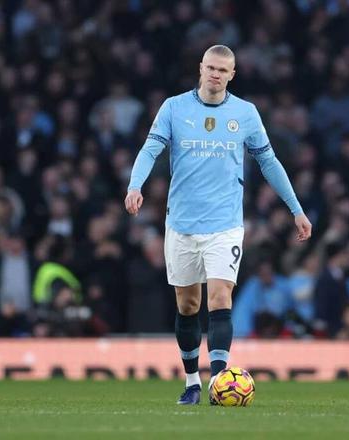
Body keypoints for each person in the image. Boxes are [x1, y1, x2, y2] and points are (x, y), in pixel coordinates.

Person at [124, 45, 312, 405]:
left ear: (232, 75)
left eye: (222, 70)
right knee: (188, 305)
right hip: (181, 223)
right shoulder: (174, 108)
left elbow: (269, 162)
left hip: (225, 224)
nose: (215, 74)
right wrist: (135, 186)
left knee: (220, 297)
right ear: (200, 68)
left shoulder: (245, 113)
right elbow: (150, 149)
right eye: (210, 68)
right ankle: (192, 381)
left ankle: (219, 382)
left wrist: (296, 209)